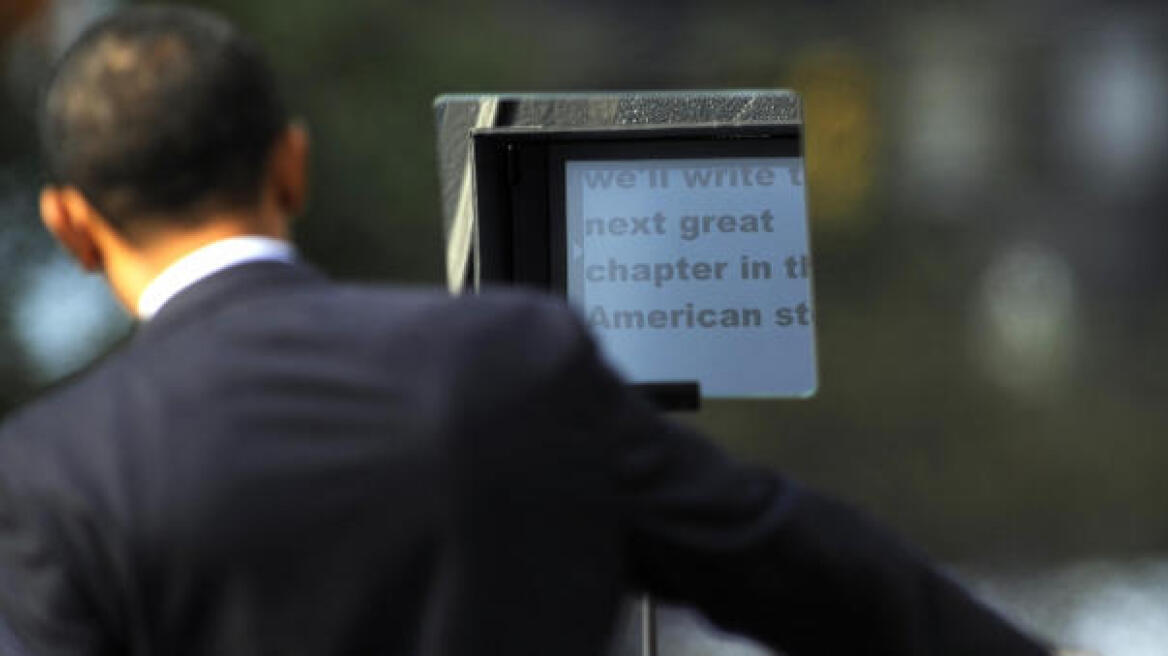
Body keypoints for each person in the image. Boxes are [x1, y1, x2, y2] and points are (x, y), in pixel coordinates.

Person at [0, 6, 1053, 656]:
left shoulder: (53, 472)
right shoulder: (509, 360)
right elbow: (792, 559)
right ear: (291, 166)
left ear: (70, 226)